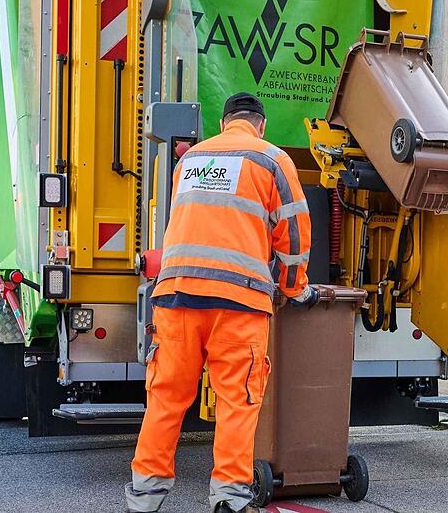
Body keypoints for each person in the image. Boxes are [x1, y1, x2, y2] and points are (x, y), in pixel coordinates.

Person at [125, 92, 316, 513]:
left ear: (224, 123)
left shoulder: (190, 161)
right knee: (236, 402)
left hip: (176, 295)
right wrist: (294, 288)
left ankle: (144, 497)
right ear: (261, 125)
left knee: (166, 398)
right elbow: (294, 233)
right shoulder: (271, 158)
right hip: (238, 301)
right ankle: (229, 499)